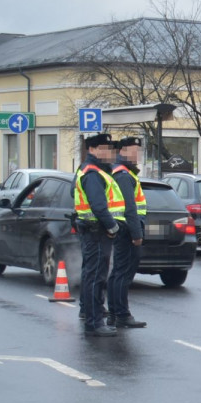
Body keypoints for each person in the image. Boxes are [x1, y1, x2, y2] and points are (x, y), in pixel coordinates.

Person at [74, 134, 124, 337]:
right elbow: (98, 205)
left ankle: (91, 316)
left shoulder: (95, 171)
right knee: (96, 277)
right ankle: (94, 323)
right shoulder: (93, 173)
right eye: (104, 148)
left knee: (92, 275)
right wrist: (112, 227)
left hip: (93, 230)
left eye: (110, 149)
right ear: (92, 150)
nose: (108, 152)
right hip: (96, 230)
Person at [106, 137, 147, 328]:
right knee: (123, 273)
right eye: (134, 150)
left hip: (121, 228)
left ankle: (115, 313)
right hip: (127, 230)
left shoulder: (121, 171)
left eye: (139, 151)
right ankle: (121, 314)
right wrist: (137, 234)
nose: (138, 154)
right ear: (123, 150)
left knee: (117, 272)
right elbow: (130, 208)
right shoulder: (123, 174)